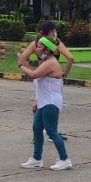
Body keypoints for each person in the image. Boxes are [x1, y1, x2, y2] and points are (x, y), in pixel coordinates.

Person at [18, 35, 74, 170]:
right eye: (36, 46)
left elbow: (32, 75)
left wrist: (21, 64)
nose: (36, 49)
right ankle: (36, 158)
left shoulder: (50, 63)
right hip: (43, 101)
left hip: (51, 102)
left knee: (51, 131)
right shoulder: (45, 62)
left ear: (48, 50)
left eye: (39, 47)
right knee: (37, 128)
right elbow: (38, 80)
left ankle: (64, 159)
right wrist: (37, 100)